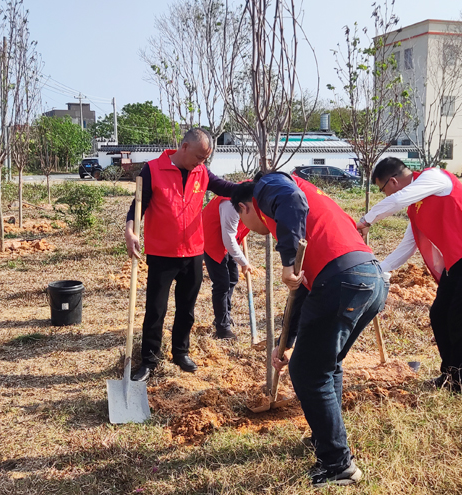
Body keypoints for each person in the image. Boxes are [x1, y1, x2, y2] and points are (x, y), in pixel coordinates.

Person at [231, 173, 388, 488]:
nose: (250, 227)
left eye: (242, 217)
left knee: (308, 371)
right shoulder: (312, 201)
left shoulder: (272, 190)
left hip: (343, 280)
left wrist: (287, 261)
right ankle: (326, 439)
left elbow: (289, 202)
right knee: (326, 365)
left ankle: (337, 463)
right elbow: (303, 290)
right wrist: (284, 343)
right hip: (369, 277)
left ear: (247, 206)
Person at [355, 158, 462, 395]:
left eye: (383, 189)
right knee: (440, 315)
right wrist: (380, 269)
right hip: (458, 263)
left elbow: (397, 199)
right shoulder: (416, 207)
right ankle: (449, 375)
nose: (386, 195)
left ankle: (461, 387)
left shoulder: (434, 177)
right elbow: (408, 245)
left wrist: (366, 220)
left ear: (393, 181)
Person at [126, 128, 239, 381]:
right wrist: (130, 231)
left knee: (186, 309)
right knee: (156, 309)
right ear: (184, 147)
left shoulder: (202, 172)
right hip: (162, 253)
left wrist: (255, 188)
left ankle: (180, 352)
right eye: (199, 156)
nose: (202, 162)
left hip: (193, 252)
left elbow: (226, 187)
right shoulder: (153, 170)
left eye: (205, 158)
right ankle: (149, 360)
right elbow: (138, 206)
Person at [202, 193, 255, 340]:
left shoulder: (254, 197)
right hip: (211, 237)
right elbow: (228, 239)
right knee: (222, 284)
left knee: (232, 278)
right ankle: (222, 328)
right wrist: (244, 263)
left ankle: (224, 315)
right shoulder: (231, 204)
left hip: (227, 236)